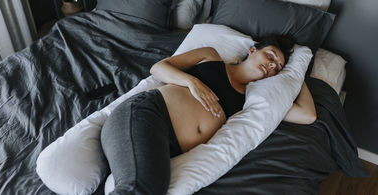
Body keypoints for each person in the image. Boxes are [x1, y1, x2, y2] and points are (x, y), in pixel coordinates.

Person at [100, 35, 316, 195]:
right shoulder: (210, 56)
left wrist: (295, 74)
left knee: (149, 188)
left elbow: (308, 115)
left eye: (277, 67)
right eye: (270, 56)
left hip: (168, 146)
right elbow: (158, 68)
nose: (272, 65)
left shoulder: (254, 98)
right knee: (142, 188)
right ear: (252, 51)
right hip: (145, 115)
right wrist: (192, 82)